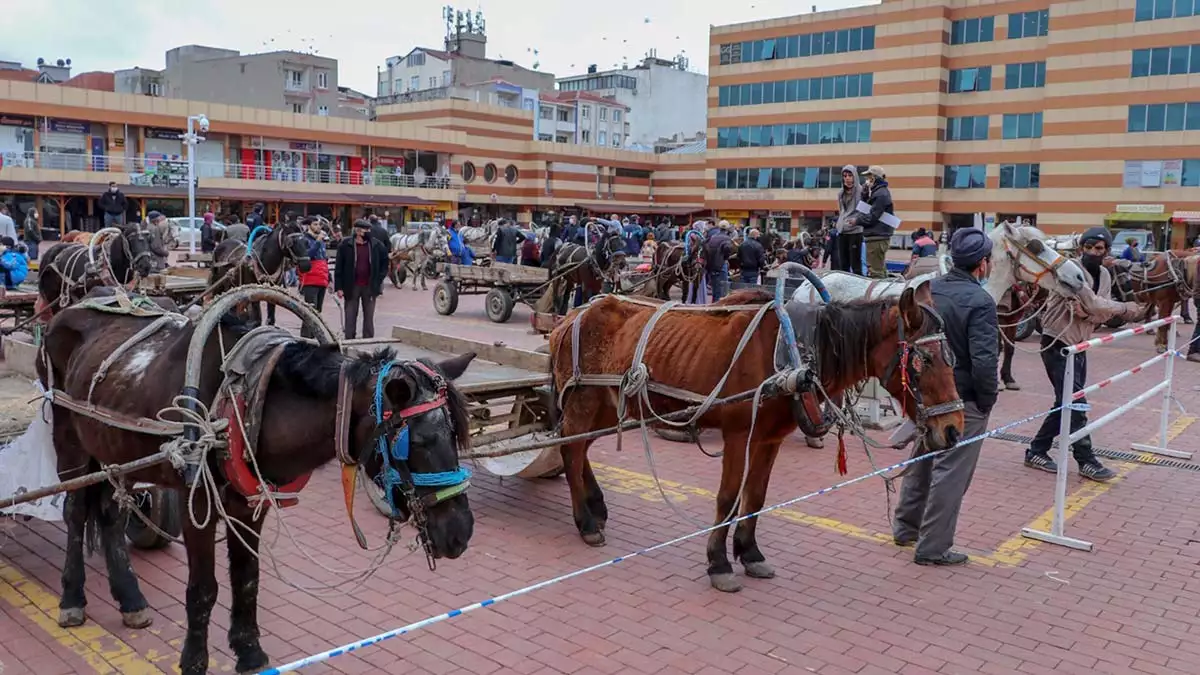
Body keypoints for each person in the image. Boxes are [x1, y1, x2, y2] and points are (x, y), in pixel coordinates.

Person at [893, 227, 998, 566]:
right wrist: (987, 399)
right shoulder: (981, 301)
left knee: (921, 462)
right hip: (961, 399)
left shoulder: (930, 289)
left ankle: (906, 527)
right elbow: (984, 360)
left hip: (928, 394)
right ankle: (933, 547)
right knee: (951, 473)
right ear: (982, 264)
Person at [1024, 227, 1145, 482]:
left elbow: (1098, 310)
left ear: (1106, 251)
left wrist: (1095, 311)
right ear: (1081, 248)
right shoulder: (1068, 270)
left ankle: (1036, 450)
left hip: (1080, 344)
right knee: (1074, 403)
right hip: (1058, 341)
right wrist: (1123, 308)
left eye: (1098, 249)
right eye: (1088, 247)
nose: (1092, 252)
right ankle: (1086, 459)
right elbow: (1095, 305)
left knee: (1065, 402)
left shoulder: (1103, 274)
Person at [335, 219, 388, 339]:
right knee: (350, 315)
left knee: (369, 316)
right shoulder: (345, 245)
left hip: (370, 286)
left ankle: (368, 338)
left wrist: (378, 279)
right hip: (351, 286)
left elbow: (385, 263)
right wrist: (339, 287)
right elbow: (339, 267)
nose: (369, 232)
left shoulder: (376, 245)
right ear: (358, 231)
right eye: (366, 230)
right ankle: (349, 338)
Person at [859, 166, 895, 279]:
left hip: (877, 237)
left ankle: (878, 296)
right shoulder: (878, 192)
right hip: (877, 236)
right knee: (879, 268)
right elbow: (867, 209)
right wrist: (864, 196)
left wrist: (857, 221)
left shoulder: (880, 194)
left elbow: (872, 216)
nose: (867, 181)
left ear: (874, 178)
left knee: (875, 272)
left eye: (868, 177)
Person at [297, 217, 330, 339]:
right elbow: (306, 256)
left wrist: (329, 278)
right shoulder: (304, 240)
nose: (318, 227)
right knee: (310, 311)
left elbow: (323, 259)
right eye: (315, 224)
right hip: (310, 279)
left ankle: (313, 337)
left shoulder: (321, 241)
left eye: (319, 224)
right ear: (309, 226)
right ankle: (306, 338)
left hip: (322, 278)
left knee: (318, 311)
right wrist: (317, 242)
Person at [834, 165, 863, 275]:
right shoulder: (841, 193)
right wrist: (840, 224)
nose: (847, 178)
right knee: (843, 264)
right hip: (842, 231)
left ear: (855, 176)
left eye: (850, 175)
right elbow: (842, 210)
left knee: (855, 264)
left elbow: (866, 211)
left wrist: (857, 220)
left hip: (855, 231)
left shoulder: (861, 191)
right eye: (845, 176)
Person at [705, 221, 735, 301]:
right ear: (727, 229)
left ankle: (714, 302)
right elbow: (727, 249)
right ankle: (719, 305)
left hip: (712, 265)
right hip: (721, 265)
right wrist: (726, 258)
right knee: (723, 287)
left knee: (715, 287)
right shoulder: (726, 238)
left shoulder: (713, 237)